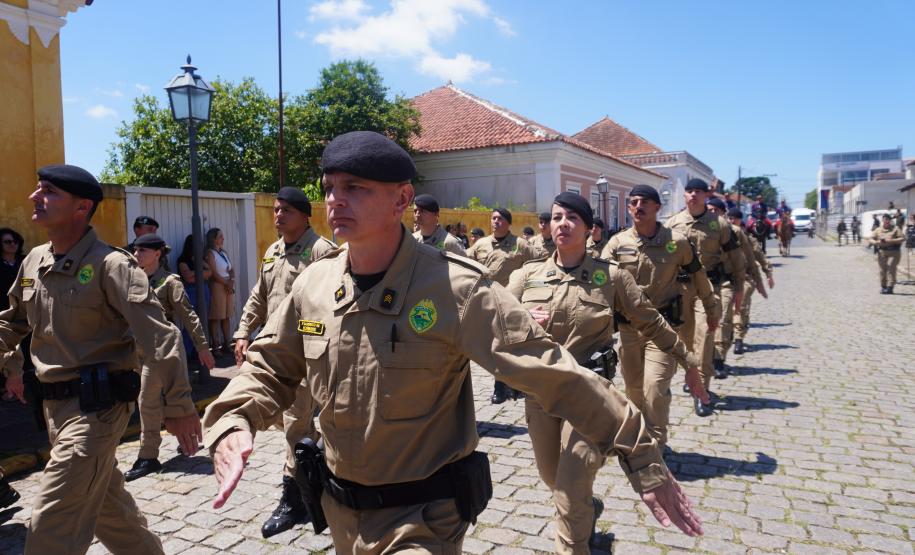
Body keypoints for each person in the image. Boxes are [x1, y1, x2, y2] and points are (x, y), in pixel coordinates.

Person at [202, 131, 703, 554]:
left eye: (354, 187)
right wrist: (234, 417)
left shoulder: (455, 289)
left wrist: (642, 457)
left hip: (423, 519)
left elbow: (552, 371)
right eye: (330, 187)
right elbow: (271, 365)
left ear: (401, 199)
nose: (335, 200)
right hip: (340, 514)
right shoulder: (314, 285)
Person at [0, 164, 200, 554]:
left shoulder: (112, 265)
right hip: (54, 411)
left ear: (81, 207)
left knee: (51, 524)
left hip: (98, 410)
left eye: (48, 191)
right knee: (113, 515)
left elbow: (161, 336)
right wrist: (8, 364)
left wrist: (178, 405)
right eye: (38, 189)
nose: (34, 198)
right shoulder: (34, 261)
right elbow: (11, 323)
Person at [509, 191, 705, 553]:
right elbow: (493, 325)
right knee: (553, 477)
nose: (562, 224)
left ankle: (575, 540)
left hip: (589, 398)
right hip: (540, 397)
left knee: (569, 487)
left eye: (572, 218)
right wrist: (523, 325)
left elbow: (651, 321)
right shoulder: (526, 277)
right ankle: (588, 508)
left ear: (588, 230)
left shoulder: (611, 277)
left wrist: (689, 363)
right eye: (556, 217)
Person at [232, 186, 337, 537]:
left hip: (309, 353)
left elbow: (336, 302)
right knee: (291, 423)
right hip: (276, 353)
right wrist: (244, 331)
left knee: (295, 425)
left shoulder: (322, 251)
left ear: (305, 215)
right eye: (275, 210)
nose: (278, 216)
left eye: (286, 211)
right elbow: (259, 296)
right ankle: (320, 467)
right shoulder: (274, 251)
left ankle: (295, 500)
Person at [603, 185, 720, 444]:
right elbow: (600, 285)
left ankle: (657, 445)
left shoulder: (676, 242)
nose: (638, 206)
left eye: (644, 201)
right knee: (633, 389)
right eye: (633, 202)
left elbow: (698, 277)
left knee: (655, 387)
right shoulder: (617, 243)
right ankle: (640, 439)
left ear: (657, 207)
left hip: (665, 329)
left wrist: (711, 309)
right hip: (629, 330)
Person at [125, 234, 215, 481]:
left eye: (142, 250)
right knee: (160, 402)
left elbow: (189, 315)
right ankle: (186, 438)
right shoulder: (132, 280)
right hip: (138, 350)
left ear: (157, 253)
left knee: (149, 400)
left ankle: (148, 456)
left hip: (162, 350)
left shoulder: (169, 281)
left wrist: (202, 347)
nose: (136, 254)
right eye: (135, 250)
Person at [666, 179, 746, 417]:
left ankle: (703, 392)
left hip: (708, 289)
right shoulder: (673, 223)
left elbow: (736, 257)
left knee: (705, 335)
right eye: (689, 191)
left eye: (698, 192)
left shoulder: (719, 224)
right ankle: (692, 377)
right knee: (687, 340)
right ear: (685, 196)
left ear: (706, 195)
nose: (693, 195)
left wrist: (739, 288)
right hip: (680, 290)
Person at [466, 206, 539, 403]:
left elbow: (540, 262)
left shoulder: (520, 245)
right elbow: (465, 262)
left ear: (508, 223)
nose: (495, 222)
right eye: (493, 218)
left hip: (513, 303)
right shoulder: (481, 244)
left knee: (514, 345)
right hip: (487, 302)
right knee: (496, 346)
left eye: (499, 219)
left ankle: (514, 386)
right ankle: (501, 385)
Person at [705, 198, 765, 379]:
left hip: (725, 282)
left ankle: (718, 360)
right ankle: (700, 366)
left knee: (723, 320)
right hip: (702, 285)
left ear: (723, 213)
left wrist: (757, 279)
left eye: (716, 210)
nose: (712, 213)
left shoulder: (736, 232)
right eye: (709, 210)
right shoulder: (698, 230)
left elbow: (749, 257)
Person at [727, 209, 774, 355]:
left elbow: (760, 256)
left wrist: (768, 273)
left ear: (740, 220)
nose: (730, 221)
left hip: (746, 278)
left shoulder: (749, 239)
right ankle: (727, 334)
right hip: (727, 278)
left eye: (733, 218)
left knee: (741, 307)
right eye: (728, 218)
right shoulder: (721, 237)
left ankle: (739, 338)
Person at [177, 234, 212, 368]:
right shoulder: (183, 260)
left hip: (204, 290)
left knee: (203, 322)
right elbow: (188, 278)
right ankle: (186, 353)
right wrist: (201, 273)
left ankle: (199, 354)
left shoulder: (200, 259)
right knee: (191, 324)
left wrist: (197, 270)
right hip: (191, 292)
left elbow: (209, 272)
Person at [205, 227, 235, 352]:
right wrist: (226, 283)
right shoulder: (210, 253)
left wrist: (231, 280)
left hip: (227, 285)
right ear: (214, 239)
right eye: (220, 237)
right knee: (216, 316)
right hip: (218, 286)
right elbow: (213, 273)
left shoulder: (223, 253)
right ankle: (215, 344)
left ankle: (227, 343)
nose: (223, 238)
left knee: (226, 316)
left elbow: (231, 269)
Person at [869, 213, 905, 294]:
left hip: (894, 252)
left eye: (888, 219)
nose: (886, 221)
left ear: (890, 220)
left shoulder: (896, 229)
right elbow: (870, 238)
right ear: (883, 220)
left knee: (891, 269)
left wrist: (892, 240)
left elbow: (903, 238)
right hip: (882, 252)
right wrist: (876, 242)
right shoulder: (878, 229)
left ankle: (890, 287)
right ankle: (883, 286)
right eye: (885, 219)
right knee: (882, 270)